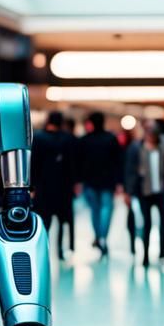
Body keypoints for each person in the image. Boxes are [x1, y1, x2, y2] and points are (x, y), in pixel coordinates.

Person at [124, 120, 164, 268]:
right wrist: (128, 191)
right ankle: (146, 255)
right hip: (145, 191)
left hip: (162, 191)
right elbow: (130, 171)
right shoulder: (137, 148)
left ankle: (163, 251)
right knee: (146, 223)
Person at [30, 110, 77, 260]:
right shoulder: (68, 139)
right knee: (63, 221)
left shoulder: (38, 138)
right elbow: (73, 164)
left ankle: (44, 249)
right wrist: (75, 183)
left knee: (44, 221)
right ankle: (61, 250)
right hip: (64, 187)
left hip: (43, 187)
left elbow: (33, 164)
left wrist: (31, 186)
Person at [78, 111, 122, 257]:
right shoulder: (111, 139)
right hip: (107, 181)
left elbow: (80, 163)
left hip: (90, 181)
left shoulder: (85, 140)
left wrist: (80, 180)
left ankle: (98, 236)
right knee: (106, 209)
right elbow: (118, 162)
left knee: (95, 210)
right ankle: (103, 237)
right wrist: (119, 182)